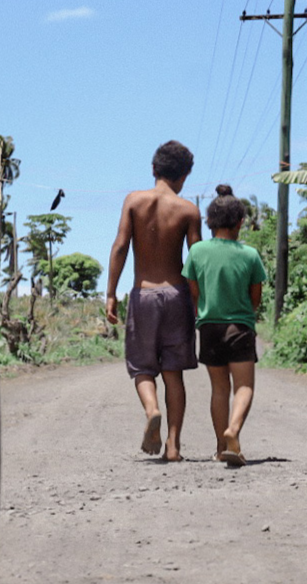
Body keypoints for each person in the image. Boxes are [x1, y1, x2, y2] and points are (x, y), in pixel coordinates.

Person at [105, 141, 203, 462]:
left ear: (153, 169)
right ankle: (173, 446)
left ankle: (152, 409)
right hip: (176, 295)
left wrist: (110, 293)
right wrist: (198, 302)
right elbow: (196, 261)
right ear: (185, 174)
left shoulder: (134, 201)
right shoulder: (188, 210)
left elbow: (120, 246)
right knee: (174, 373)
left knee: (143, 368)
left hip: (143, 293)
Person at [181, 184, 268, 467]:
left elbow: (194, 291)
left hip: (209, 328)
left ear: (210, 222)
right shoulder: (250, 255)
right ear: (240, 222)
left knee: (219, 389)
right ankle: (234, 430)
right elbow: (255, 298)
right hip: (240, 327)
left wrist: (206, 312)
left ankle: (221, 446)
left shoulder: (196, 252)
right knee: (244, 387)